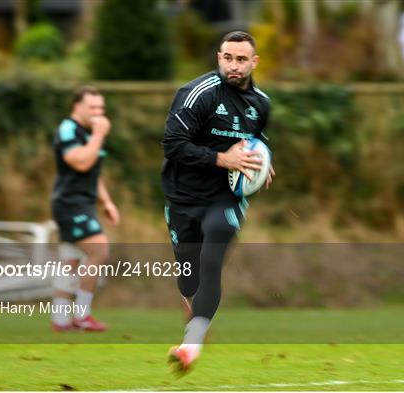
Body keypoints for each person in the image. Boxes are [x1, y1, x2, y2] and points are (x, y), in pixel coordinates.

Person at [162, 31, 274, 372]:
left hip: (225, 197)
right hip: (183, 194)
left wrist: (264, 165)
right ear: (218, 57)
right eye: (228, 58)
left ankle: (190, 345)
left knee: (216, 244)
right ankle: (192, 309)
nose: (234, 66)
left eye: (241, 59)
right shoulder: (197, 94)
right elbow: (173, 144)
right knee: (189, 278)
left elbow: (257, 143)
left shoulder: (261, 104)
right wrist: (222, 159)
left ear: (254, 62)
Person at [50, 86, 120, 332]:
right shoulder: (68, 128)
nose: (98, 113)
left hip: (82, 203)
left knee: (69, 260)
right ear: (76, 107)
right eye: (92, 107)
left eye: (101, 108)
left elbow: (93, 173)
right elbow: (80, 162)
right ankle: (82, 315)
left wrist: (106, 202)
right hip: (70, 203)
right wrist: (99, 135)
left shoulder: (87, 132)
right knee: (99, 250)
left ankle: (60, 320)